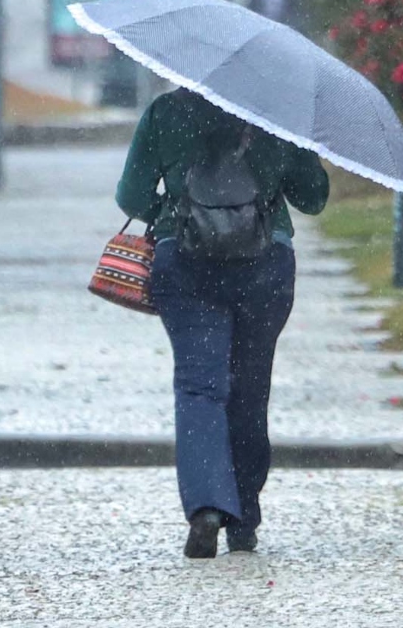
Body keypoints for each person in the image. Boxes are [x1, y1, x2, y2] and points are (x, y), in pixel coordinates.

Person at [116, 86, 329, 558]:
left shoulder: (165, 112)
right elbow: (313, 199)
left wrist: (174, 215)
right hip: (265, 264)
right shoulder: (276, 110)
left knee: (199, 386)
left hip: (186, 263)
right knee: (250, 389)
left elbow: (130, 196)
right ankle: (244, 519)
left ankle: (207, 506)